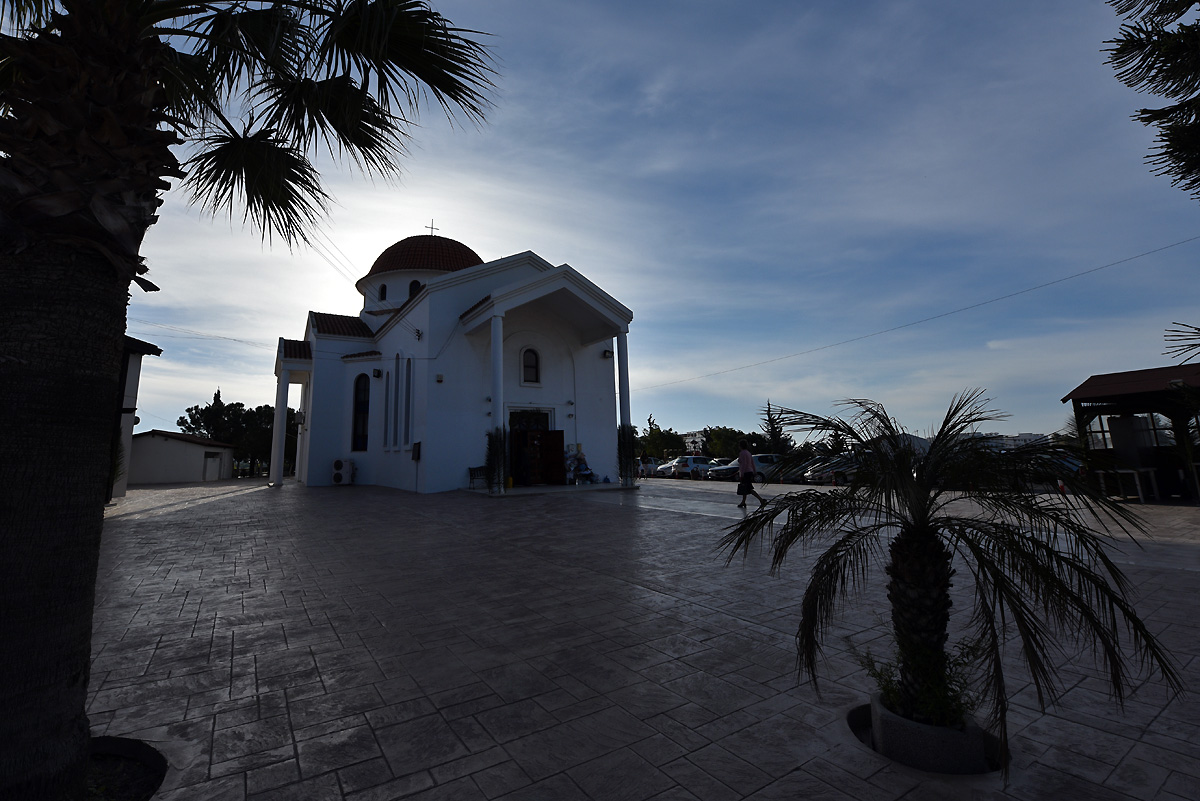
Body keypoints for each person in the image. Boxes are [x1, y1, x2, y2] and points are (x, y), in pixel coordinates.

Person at [736, 440, 766, 508]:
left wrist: (742, 474)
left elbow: (744, 464)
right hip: (750, 471)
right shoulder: (748, 453)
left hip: (745, 472)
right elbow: (752, 463)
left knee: (749, 488)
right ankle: (743, 502)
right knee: (745, 487)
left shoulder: (742, 453)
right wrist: (754, 471)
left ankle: (761, 500)